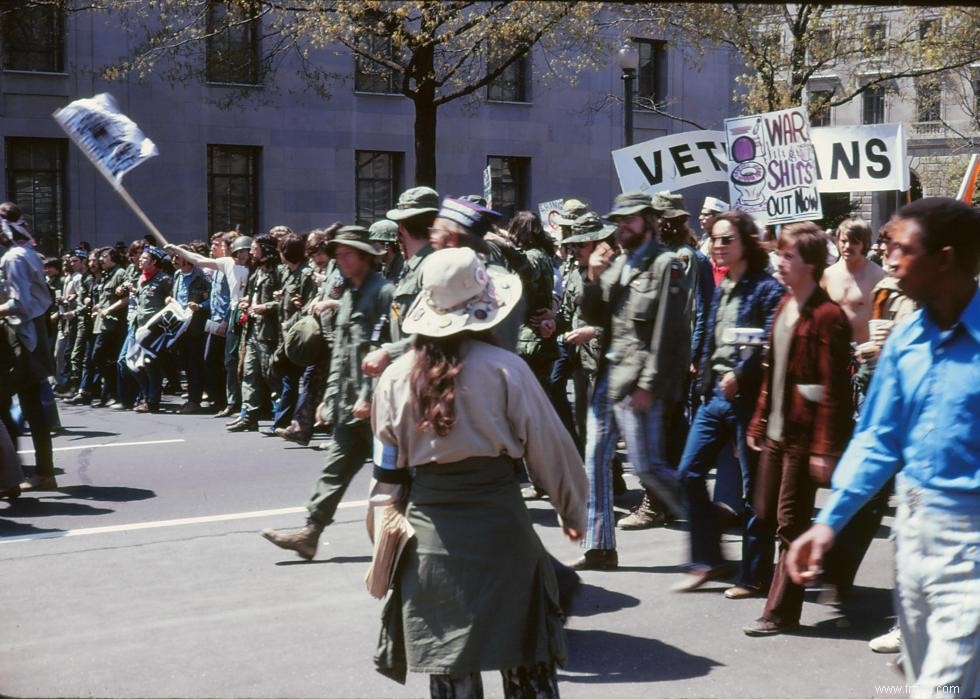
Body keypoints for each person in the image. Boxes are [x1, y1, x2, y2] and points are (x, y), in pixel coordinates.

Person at [369, 246, 587, 697]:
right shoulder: (508, 369)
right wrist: (572, 511)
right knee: (527, 660)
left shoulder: (393, 378)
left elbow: (386, 478)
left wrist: (380, 539)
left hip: (430, 544)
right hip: (503, 534)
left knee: (451, 672)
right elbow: (551, 450)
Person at [787, 197, 980, 699]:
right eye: (888, 246)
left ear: (946, 258)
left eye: (901, 248)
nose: (889, 259)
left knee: (942, 688)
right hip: (912, 540)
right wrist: (830, 522)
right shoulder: (906, 339)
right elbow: (877, 438)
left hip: (973, 549)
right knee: (929, 678)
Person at [740, 223, 853, 636]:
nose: (780, 262)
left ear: (810, 264)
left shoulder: (828, 316)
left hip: (804, 437)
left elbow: (833, 389)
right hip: (774, 430)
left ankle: (780, 613)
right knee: (765, 510)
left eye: (789, 256)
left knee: (789, 522)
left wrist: (824, 447)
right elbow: (773, 373)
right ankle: (834, 557)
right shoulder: (784, 305)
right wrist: (758, 420)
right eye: (781, 255)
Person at [573, 191, 690, 570]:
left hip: (638, 381)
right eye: (619, 220)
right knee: (594, 458)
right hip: (610, 377)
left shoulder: (666, 264)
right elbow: (593, 312)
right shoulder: (617, 263)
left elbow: (667, 332)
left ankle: (705, 522)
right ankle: (600, 547)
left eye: (631, 219)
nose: (623, 226)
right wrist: (593, 274)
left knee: (646, 467)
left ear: (650, 222)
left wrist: (648, 385)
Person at [261, 226, 392, 559]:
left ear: (365, 256)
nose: (341, 260)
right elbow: (342, 354)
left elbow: (392, 348)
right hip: (351, 406)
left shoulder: (384, 294)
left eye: (348, 254)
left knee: (403, 476)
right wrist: (329, 399)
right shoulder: (347, 296)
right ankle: (311, 533)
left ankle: (423, 532)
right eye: (338, 255)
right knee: (334, 469)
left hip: (382, 407)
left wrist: (370, 394)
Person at [674, 210, 784, 594]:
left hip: (751, 401)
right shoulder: (723, 288)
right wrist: (699, 374)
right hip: (715, 398)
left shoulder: (767, 289)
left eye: (727, 240)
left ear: (746, 244)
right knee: (687, 473)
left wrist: (743, 374)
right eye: (716, 239)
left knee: (755, 492)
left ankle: (755, 575)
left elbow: (773, 343)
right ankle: (709, 559)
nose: (718, 246)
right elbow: (709, 335)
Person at [0, 202, 57, 490]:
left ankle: (14, 476)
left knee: (10, 405)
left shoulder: (14, 258)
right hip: (31, 336)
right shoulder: (28, 254)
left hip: (22, 340)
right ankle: (43, 472)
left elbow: (18, 304)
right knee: (32, 408)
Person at [167, 234, 251, 417]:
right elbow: (199, 259)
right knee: (217, 362)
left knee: (236, 363)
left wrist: (228, 319)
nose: (241, 253)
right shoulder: (225, 263)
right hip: (219, 321)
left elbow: (238, 298)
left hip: (237, 320)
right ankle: (225, 401)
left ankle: (240, 403)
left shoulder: (250, 268)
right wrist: (178, 250)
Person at [821, 217, 885, 345]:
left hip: (865, 356)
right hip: (834, 352)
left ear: (865, 244)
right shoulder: (827, 275)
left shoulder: (879, 276)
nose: (847, 246)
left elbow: (886, 319)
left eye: (854, 242)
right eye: (843, 241)